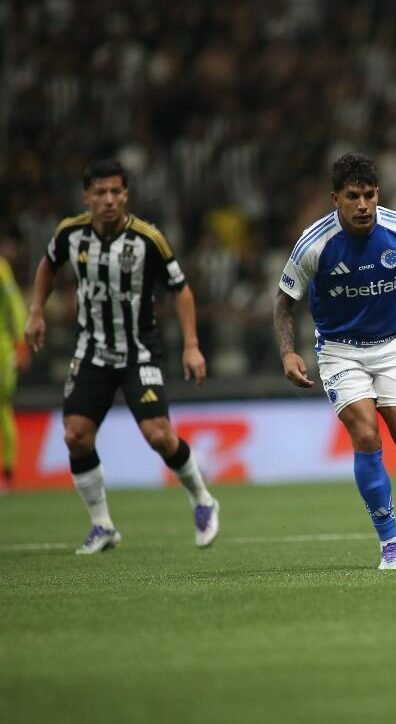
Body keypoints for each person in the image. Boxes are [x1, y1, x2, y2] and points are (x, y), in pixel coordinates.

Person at [274, 152, 396, 571]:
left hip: (391, 347)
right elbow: (285, 301)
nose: (363, 205)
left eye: (369, 195)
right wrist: (288, 352)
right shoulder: (314, 244)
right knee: (366, 437)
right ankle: (390, 542)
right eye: (353, 196)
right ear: (335, 199)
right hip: (339, 351)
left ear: (379, 194)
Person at [24, 159, 219, 552]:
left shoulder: (149, 238)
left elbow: (181, 289)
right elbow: (48, 264)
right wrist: (36, 312)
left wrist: (192, 344)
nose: (109, 200)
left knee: (159, 436)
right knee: (76, 436)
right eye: (100, 193)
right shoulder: (70, 233)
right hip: (91, 350)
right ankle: (102, 524)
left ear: (126, 195)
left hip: (139, 352)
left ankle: (202, 498)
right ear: (87, 197)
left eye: (116, 192)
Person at [0, 242, 28, 491]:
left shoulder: (1, 270)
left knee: (3, 408)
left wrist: (20, 343)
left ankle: (7, 472)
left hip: (1, 351)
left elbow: (16, 306)